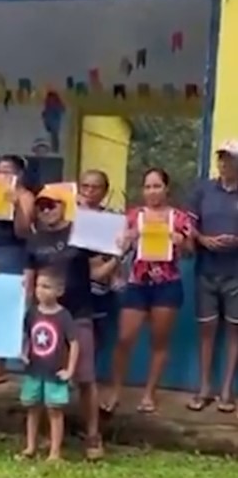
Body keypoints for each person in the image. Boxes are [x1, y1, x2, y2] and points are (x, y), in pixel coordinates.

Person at [101, 168, 193, 414]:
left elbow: (191, 250)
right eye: (148, 186)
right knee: (124, 339)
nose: (152, 191)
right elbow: (118, 246)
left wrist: (182, 242)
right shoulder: (134, 216)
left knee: (159, 342)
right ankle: (116, 390)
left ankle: (149, 393)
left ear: (166, 189)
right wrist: (125, 239)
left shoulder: (179, 218)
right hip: (137, 284)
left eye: (157, 186)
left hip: (167, 285)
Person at [23, 185, 105, 460]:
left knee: (85, 377)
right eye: (42, 206)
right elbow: (29, 280)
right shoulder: (34, 241)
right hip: (44, 321)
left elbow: (99, 271)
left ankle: (93, 436)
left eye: (53, 205)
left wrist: (119, 256)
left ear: (65, 205)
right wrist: (27, 316)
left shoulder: (79, 233)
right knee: (45, 374)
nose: (47, 210)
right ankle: (48, 438)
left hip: (78, 313)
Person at [187, 140, 238, 413]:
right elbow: (188, 225)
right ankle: (204, 387)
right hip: (206, 270)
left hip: (236, 274)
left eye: (230, 159)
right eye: (221, 159)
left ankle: (227, 390)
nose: (224, 164)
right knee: (206, 331)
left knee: (234, 332)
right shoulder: (204, 189)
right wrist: (204, 240)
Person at [0, 155, 35, 385]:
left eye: (8, 171)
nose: (3, 176)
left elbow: (24, 232)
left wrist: (15, 207)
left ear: (19, 174)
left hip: (12, 252)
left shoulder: (26, 196)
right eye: (0, 171)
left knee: (5, 309)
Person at [20, 269, 79, 462]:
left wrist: (70, 370)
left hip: (55, 372)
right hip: (34, 371)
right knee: (32, 408)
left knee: (55, 411)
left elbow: (74, 343)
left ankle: (55, 452)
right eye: (38, 285)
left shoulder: (64, 316)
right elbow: (26, 335)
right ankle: (30, 446)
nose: (40, 290)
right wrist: (23, 352)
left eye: (46, 286)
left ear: (59, 291)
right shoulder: (32, 312)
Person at [77, 170, 123, 351]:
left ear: (105, 192)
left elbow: (115, 254)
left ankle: (88, 376)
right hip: (71, 285)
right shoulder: (67, 213)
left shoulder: (112, 219)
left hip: (99, 287)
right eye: (85, 186)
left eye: (95, 187)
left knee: (96, 336)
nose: (89, 191)